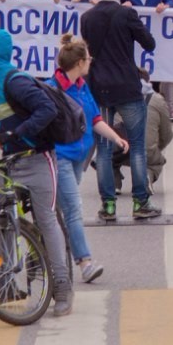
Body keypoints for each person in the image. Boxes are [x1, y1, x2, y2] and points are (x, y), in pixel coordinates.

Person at [0, 28, 72, 317]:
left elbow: (46, 109)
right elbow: (8, 113)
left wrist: (12, 134)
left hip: (38, 160)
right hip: (9, 163)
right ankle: (5, 286)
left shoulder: (16, 81)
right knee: (3, 221)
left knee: (47, 222)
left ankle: (62, 289)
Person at [80, 0, 162, 221]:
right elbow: (149, 43)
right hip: (126, 86)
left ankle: (108, 206)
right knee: (136, 146)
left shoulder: (87, 17)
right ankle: (140, 203)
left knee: (104, 147)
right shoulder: (127, 13)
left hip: (99, 87)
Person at [51, 35, 129, 286]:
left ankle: (55, 257)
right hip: (60, 156)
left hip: (78, 157)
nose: (90, 62)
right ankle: (84, 262)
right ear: (79, 63)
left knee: (62, 210)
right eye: (88, 59)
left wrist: (116, 138)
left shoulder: (83, 86)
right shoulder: (53, 88)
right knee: (73, 209)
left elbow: (95, 119)